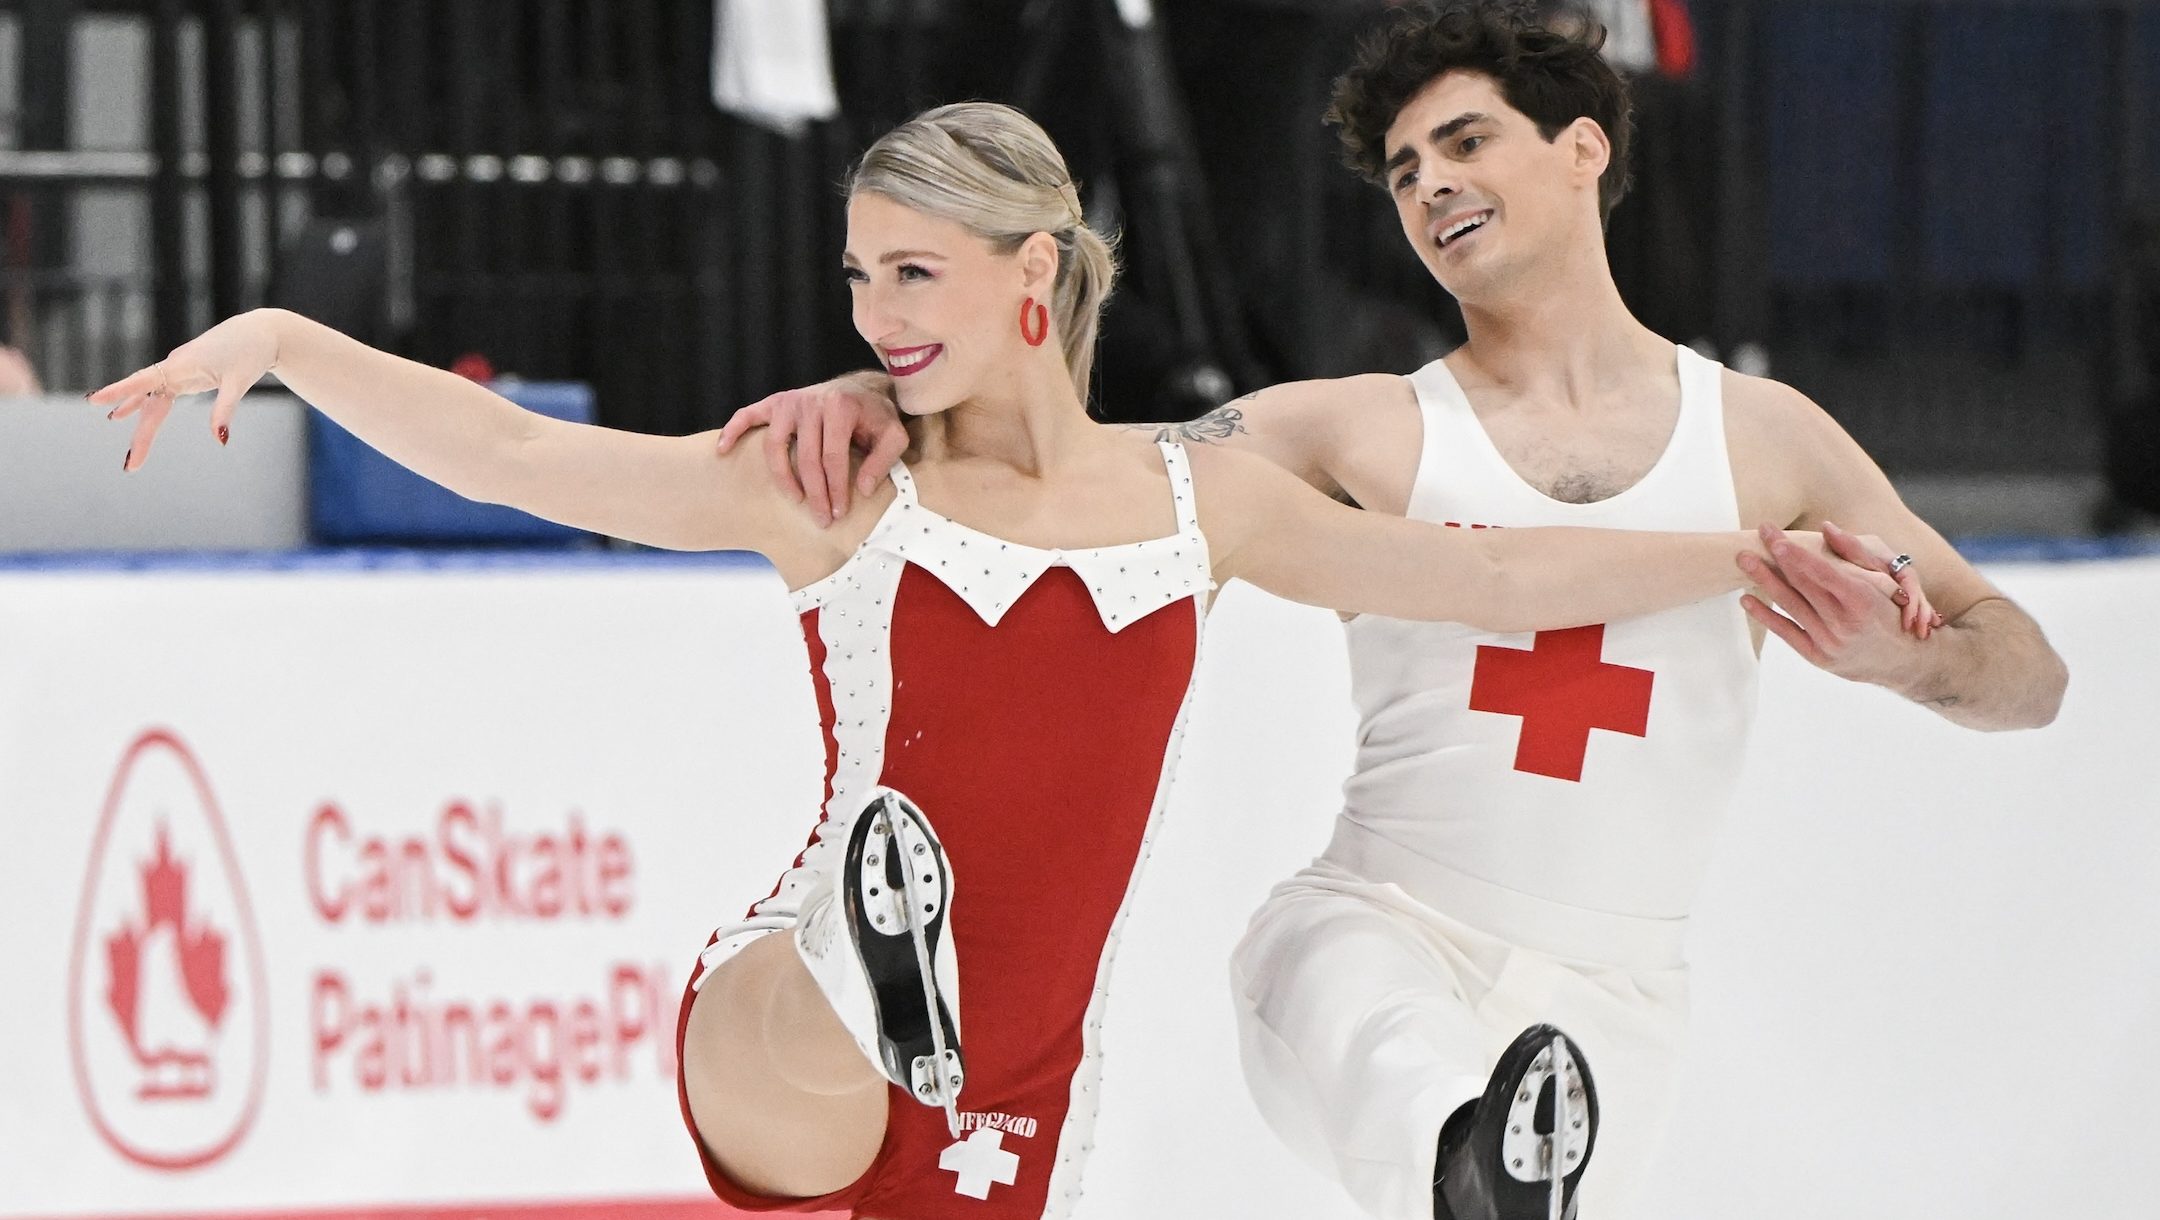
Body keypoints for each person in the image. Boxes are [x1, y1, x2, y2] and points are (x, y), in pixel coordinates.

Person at [93, 99, 1926, 1220]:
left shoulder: (1205, 507)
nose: (877, 322)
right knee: (814, 1027)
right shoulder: (836, 491)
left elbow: (1488, 570)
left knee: (977, 1096)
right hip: (787, 1045)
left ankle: (919, 968)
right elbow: (525, 461)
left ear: (1033, 278)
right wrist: (280, 338)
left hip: (1025, 1091)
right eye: (859, 281)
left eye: (915, 279)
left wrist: (1744, 554)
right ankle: (868, 940)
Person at [715, 6, 2066, 1219]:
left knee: (1524, 1166)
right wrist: (890, 391)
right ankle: (1462, 1160)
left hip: (1618, 1000)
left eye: (1466, 142)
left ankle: (1486, 1175)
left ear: (1585, 149)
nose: (1432, 188)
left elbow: (2029, 673)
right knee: (1376, 1027)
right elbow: (1079, 462)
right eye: (1406, 172)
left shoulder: (1771, 439)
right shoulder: (1351, 429)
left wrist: (1910, 659)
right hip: (1375, 928)